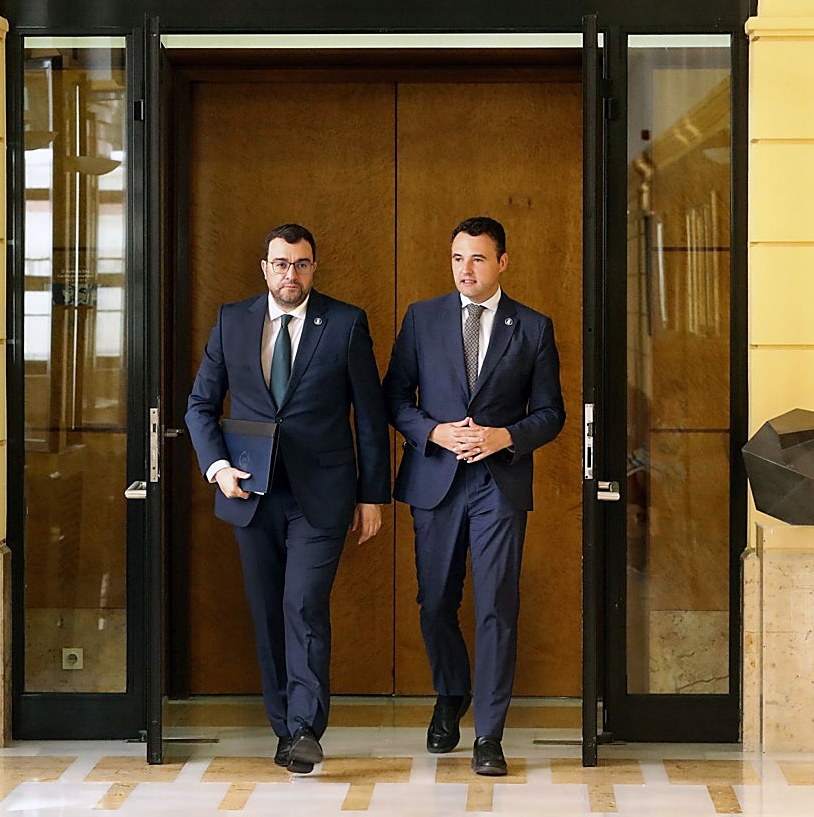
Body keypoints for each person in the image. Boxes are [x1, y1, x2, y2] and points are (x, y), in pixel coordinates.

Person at [185, 222, 391, 774]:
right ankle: (284, 729)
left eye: (300, 264)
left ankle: (305, 729)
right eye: (280, 264)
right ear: (265, 268)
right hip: (250, 492)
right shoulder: (233, 320)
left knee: (303, 604)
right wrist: (217, 468)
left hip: (321, 496)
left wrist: (373, 496)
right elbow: (200, 405)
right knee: (267, 611)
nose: (290, 274)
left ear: (313, 268)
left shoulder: (345, 323)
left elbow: (370, 416)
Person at [382, 216, 565, 776]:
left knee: (495, 606)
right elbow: (393, 398)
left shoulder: (532, 327)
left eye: (478, 258)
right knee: (436, 601)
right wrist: (435, 432)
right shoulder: (422, 318)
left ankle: (489, 734)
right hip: (435, 480)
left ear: (502, 262)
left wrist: (504, 437)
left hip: (498, 484)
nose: (466, 269)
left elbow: (551, 413)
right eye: (458, 258)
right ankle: (451, 692)